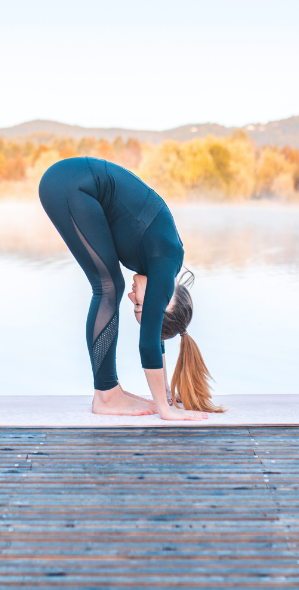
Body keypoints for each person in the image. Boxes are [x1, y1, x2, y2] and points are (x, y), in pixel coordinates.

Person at [38, 156, 223, 420]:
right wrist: (165, 410)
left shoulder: (161, 263)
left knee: (111, 285)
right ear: (166, 298)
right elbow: (148, 342)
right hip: (71, 183)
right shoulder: (165, 259)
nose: (132, 297)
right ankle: (107, 395)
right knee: (109, 287)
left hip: (67, 181)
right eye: (139, 304)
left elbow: (154, 337)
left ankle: (109, 391)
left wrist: (166, 394)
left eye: (135, 305)